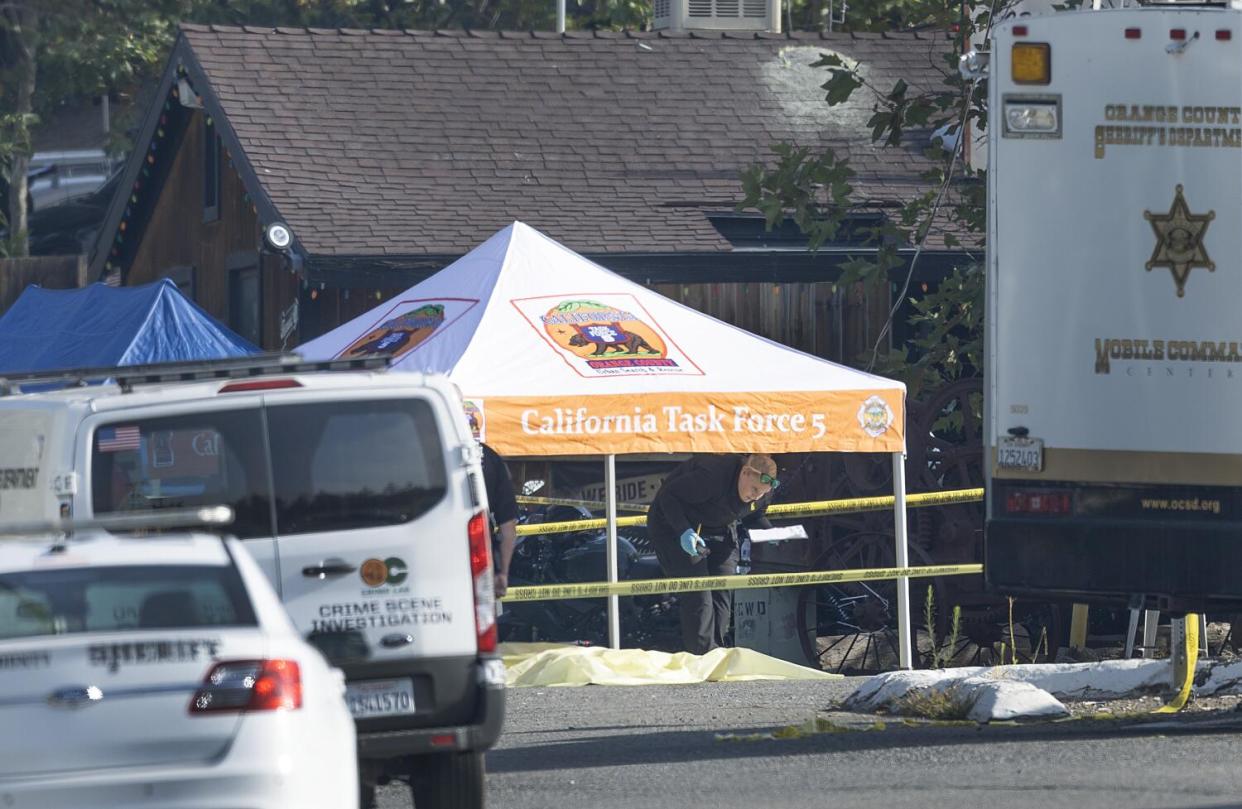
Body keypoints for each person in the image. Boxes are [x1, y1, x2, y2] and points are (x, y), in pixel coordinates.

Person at [647, 453, 779, 654]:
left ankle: (716, 651)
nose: (756, 496)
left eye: (762, 493)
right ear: (744, 472)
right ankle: (702, 654)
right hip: (674, 522)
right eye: (754, 489)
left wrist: (770, 531)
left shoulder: (762, 494)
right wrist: (684, 530)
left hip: (719, 525)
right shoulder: (712, 476)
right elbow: (668, 496)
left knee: (723, 588)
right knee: (699, 592)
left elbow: (754, 514)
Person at [479, 442, 518, 597]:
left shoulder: (427, 449)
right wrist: (503, 572)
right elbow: (508, 525)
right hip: (479, 562)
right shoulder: (489, 457)